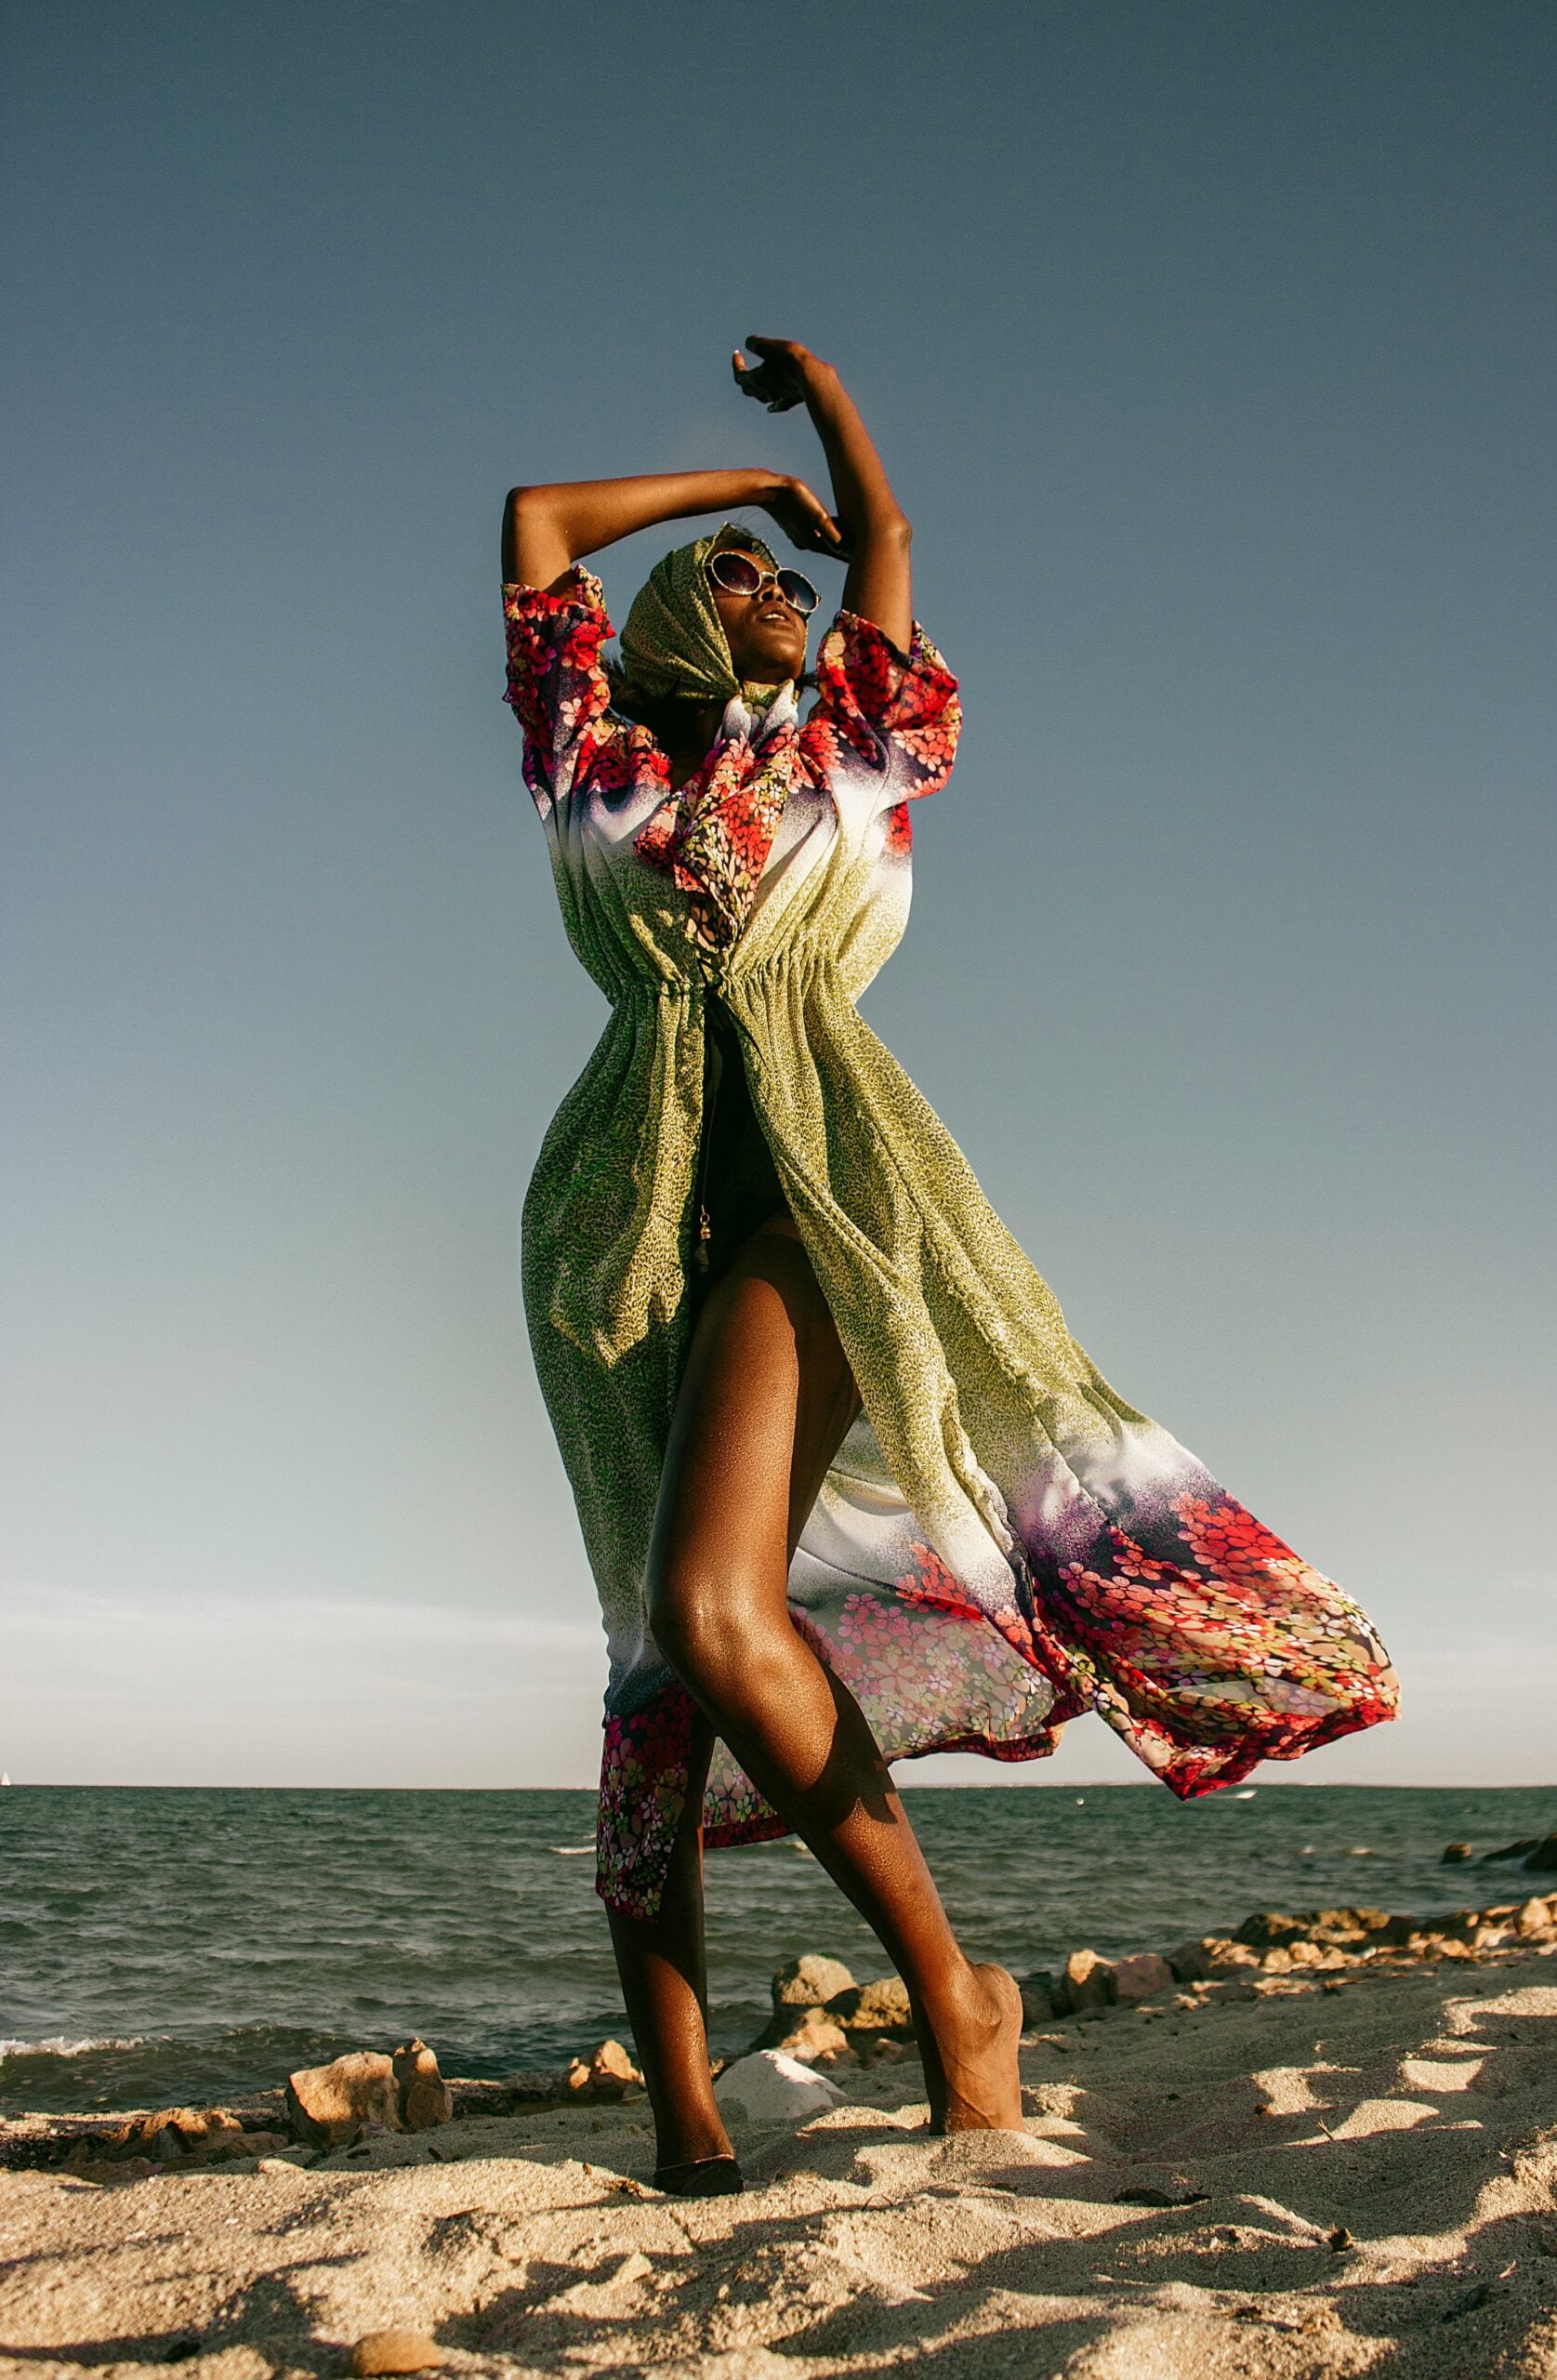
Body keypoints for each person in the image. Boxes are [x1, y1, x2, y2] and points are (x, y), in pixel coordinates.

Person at [499, 337, 1398, 2194]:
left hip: (822, 1197)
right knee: (657, 1659)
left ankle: (951, 1987)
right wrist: (726, 499)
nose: (780, 593)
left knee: (717, 1604)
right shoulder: (592, 759)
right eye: (745, 583)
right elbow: (535, 524)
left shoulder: (852, 746)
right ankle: (682, 2127)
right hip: (620, 1231)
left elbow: (888, 525)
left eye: (787, 584)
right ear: (674, 612)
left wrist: (817, 402)